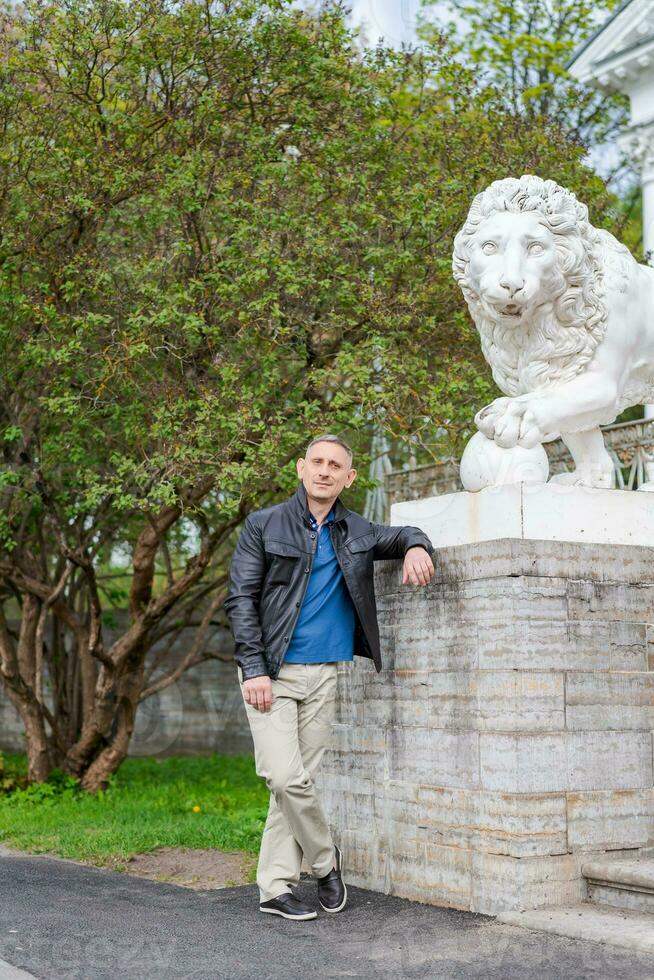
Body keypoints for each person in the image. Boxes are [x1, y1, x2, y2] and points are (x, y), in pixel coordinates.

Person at [223, 434, 435, 920]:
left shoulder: (355, 530)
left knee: (294, 786)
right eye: (316, 462)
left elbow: (402, 534)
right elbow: (240, 600)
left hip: (324, 676)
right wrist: (253, 668)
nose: (324, 470)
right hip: (271, 675)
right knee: (283, 775)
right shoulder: (263, 524)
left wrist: (418, 546)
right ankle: (325, 862)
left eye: (334, 465)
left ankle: (275, 887)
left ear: (348, 477)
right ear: (301, 468)